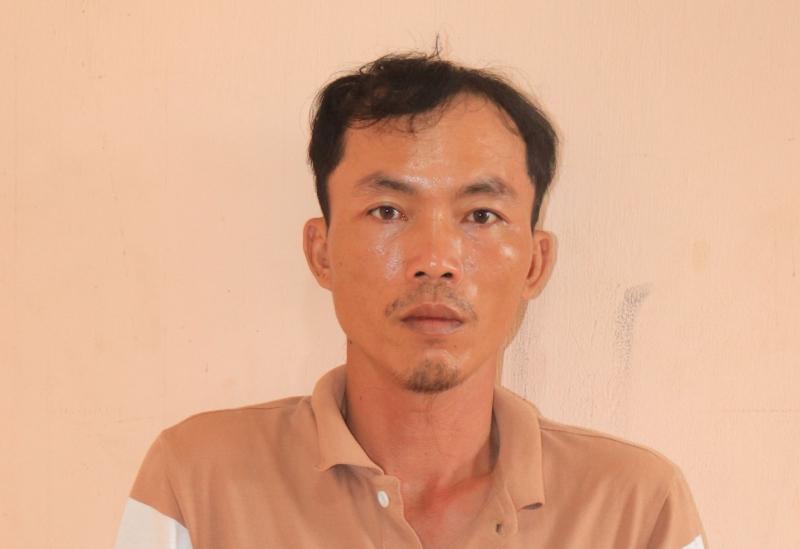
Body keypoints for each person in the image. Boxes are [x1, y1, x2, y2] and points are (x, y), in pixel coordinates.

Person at [114, 52, 708, 549]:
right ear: (321, 252)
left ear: (535, 262)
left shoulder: (634, 510)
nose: (435, 259)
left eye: (481, 215)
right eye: (388, 211)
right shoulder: (197, 483)